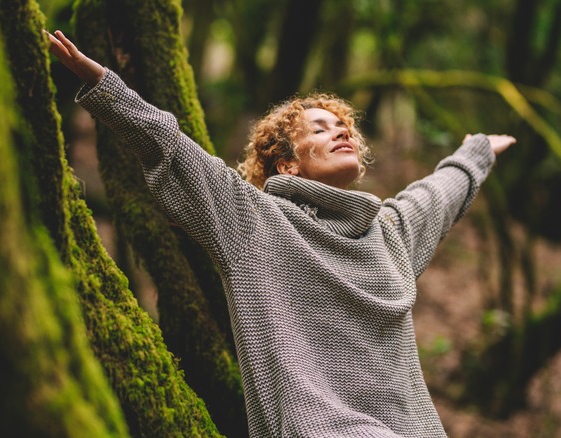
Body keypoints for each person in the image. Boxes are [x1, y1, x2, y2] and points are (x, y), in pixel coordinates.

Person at [46, 29, 515, 438]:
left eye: (344, 126)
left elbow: (436, 195)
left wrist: (477, 153)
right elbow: (173, 147)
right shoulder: (255, 222)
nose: (341, 133)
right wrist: (102, 84)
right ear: (287, 163)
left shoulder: (389, 234)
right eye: (321, 128)